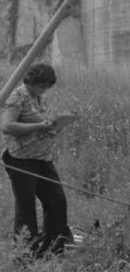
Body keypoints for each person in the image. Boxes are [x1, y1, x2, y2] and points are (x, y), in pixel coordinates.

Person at [1, 63, 75, 258]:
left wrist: (53, 126)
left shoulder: (39, 97)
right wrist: (40, 127)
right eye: (42, 85)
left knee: (57, 202)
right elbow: (7, 126)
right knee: (26, 208)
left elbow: (40, 122)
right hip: (21, 159)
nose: (45, 89)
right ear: (33, 81)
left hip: (43, 159)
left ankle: (52, 251)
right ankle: (24, 254)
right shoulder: (18, 96)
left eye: (47, 87)